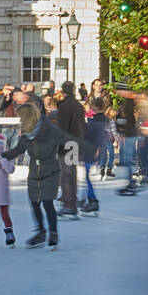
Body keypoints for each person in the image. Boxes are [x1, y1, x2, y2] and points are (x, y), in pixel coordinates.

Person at [3, 101, 63, 249]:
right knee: (35, 202)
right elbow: (18, 150)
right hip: (34, 171)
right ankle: (41, 232)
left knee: (47, 202)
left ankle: (53, 233)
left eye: (22, 118)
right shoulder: (26, 135)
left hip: (50, 169)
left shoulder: (49, 129)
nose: (20, 121)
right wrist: (2, 155)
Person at [55, 81, 86, 218]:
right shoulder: (78, 106)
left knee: (66, 175)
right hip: (76, 142)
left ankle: (68, 204)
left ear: (63, 91)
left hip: (66, 143)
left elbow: (63, 127)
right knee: (72, 173)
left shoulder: (65, 106)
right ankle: (72, 201)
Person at [79, 96, 108, 213]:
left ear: (95, 107)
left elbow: (96, 137)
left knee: (87, 176)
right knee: (86, 176)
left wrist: (97, 151)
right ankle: (88, 198)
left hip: (92, 151)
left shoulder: (97, 121)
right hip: (92, 150)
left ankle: (92, 200)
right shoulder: (99, 119)